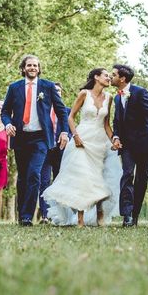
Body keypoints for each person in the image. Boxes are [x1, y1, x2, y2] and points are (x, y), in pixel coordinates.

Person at [42, 68, 121, 226]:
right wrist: (75, 136)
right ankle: (80, 219)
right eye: (106, 75)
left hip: (100, 142)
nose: (109, 78)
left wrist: (114, 139)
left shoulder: (109, 98)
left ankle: (100, 217)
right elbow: (70, 117)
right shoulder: (84, 94)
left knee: (100, 177)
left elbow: (106, 124)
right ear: (96, 77)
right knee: (82, 178)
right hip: (82, 140)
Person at [1, 55, 69, 226]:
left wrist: (64, 133)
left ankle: (26, 216)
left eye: (35, 65)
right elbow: (5, 111)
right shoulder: (14, 87)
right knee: (23, 177)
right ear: (23, 68)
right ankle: (21, 213)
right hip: (20, 136)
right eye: (29, 65)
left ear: (39, 68)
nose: (32, 68)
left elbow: (62, 112)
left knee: (34, 174)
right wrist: (8, 124)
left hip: (40, 138)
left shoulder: (48, 86)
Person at [111, 64, 148, 227]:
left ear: (122, 78)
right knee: (127, 174)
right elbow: (117, 120)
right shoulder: (116, 97)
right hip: (127, 144)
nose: (111, 76)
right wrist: (116, 136)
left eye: (113, 74)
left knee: (142, 178)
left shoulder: (140, 92)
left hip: (145, 142)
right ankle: (127, 215)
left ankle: (135, 215)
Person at [38, 82, 70, 223]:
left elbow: (70, 129)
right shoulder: (42, 110)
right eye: (54, 90)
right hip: (44, 149)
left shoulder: (67, 111)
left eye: (59, 90)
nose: (56, 92)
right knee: (43, 182)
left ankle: (59, 215)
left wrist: (67, 137)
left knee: (59, 181)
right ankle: (45, 215)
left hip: (61, 150)